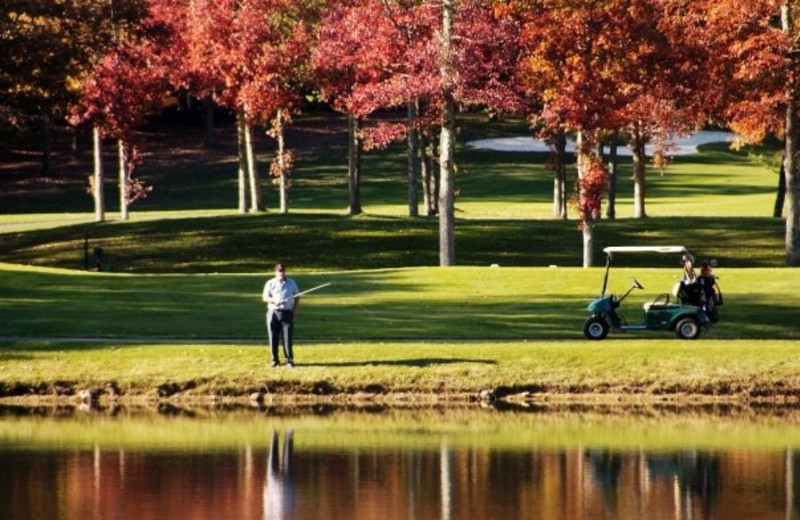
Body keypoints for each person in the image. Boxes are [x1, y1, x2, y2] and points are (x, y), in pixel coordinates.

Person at [263, 263, 301, 367]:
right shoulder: (270, 283)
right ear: (275, 272)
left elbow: (297, 296)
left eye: (283, 271)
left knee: (287, 337)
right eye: (279, 271)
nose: (281, 273)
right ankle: (274, 360)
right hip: (273, 313)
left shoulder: (291, 282)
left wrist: (295, 308)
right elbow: (265, 297)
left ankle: (289, 360)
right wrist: (274, 301)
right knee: (273, 337)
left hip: (287, 312)